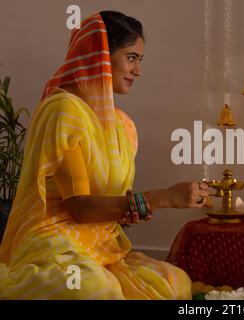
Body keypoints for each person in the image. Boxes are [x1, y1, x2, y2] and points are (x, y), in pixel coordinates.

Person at [0, 11, 209, 299]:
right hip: (56, 242)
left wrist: (131, 212)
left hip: (102, 245)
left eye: (140, 60)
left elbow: (113, 204)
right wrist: (165, 198)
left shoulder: (122, 126)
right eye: (132, 57)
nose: (138, 71)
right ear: (100, 56)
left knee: (175, 282)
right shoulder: (64, 111)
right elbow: (80, 208)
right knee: (93, 289)